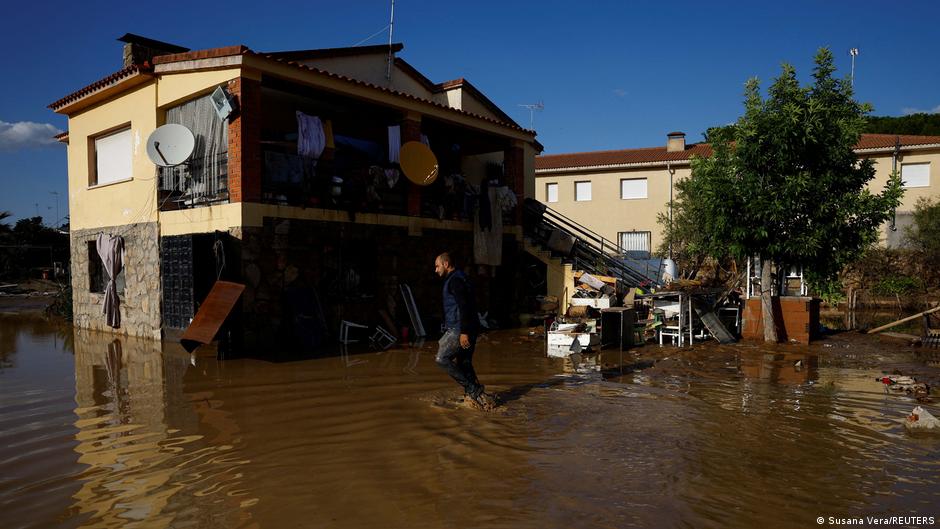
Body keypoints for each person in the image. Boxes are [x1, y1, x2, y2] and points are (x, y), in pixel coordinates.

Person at [433, 252, 495, 409]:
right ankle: (479, 397)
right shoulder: (461, 277)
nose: (436, 270)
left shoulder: (455, 281)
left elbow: (464, 306)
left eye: (437, 266)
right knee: (464, 362)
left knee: (441, 359)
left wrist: (464, 332)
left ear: (446, 264)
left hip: (460, 328)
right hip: (470, 327)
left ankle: (472, 389)